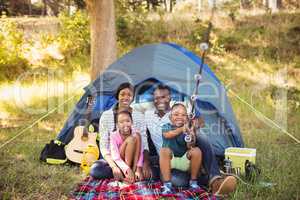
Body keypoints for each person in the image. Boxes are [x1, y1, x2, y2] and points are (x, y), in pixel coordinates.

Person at [144, 84, 237, 195]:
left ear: (169, 97)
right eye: (157, 97)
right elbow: (158, 136)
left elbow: (200, 122)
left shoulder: (180, 110)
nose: (160, 100)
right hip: (167, 160)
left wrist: (192, 128)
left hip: (185, 156)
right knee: (177, 180)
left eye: (163, 97)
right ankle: (207, 181)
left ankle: (215, 178)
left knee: (199, 135)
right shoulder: (148, 114)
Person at [90, 82, 151, 180]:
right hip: (114, 159)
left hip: (134, 158)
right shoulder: (106, 116)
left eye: (129, 95)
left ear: (133, 98)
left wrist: (144, 164)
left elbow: (144, 143)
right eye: (122, 94)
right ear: (117, 96)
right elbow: (104, 146)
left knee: (151, 172)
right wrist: (114, 167)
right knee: (96, 170)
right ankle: (125, 172)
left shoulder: (139, 116)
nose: (126, 97)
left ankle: (131, 172)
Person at [160, 103, 202, 194]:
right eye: (176, 114)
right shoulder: (166, 126)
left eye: (183, 115)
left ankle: (193, 182)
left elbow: (190, 146)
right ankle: (167, 185)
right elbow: (168, 135)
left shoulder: (187, 129)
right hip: (170, 161)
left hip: (184, 160)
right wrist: (182, 129)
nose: (180, 117)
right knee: (164, 151)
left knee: (196, 151)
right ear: (170, 117)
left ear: (187, 118)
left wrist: (191, 135)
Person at [110, 109, 144, 183]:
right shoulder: (113, 135)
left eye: (128, 121)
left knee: (137, 136)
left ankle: (134, 171)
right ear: (117, 124)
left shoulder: (136, 133)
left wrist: (138, 168)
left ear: (132, 122)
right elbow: (115, 156)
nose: (125, 124)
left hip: (133, 162)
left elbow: (140, 152)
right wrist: (127, 169)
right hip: (121, 162)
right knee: (131, 139)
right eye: (121, 122)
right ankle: (127, 175)